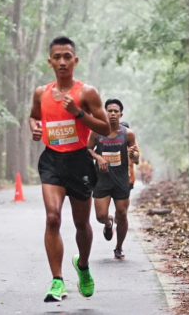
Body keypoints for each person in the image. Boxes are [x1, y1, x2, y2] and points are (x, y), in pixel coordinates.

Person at [29, 36, 111, 303]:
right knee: (52, 218)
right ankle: (57, 281)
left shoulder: (86, 93)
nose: (62, 61)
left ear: (75, 60)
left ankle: (83, 266)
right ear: (50, 61)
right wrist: (34, 127)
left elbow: (105, 128)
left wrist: (78, 113)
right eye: (57, 57)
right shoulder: (41, 93)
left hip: (79, 162)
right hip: (52, 159)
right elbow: (33, 115)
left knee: (81, 224)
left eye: (67, 56)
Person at [87, 99, 139, 260]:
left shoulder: (128, 134)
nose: (113, 114)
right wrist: (98, 158)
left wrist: (133, 154)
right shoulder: (97, 132)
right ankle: (108, 223)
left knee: (122, 214)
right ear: (105, 113)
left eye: (116, 111)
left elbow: (136, 158)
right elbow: (87, 149)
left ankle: (118, 247)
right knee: (100, 216)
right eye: (110, 111)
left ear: (121, 114)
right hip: (102, 180)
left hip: (121, 180)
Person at [119, 121, 140, 191]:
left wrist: (133, 154)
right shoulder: (115, 143)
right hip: (116, 177)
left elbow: (136, 161)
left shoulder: (133, 146)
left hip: (129, 177)